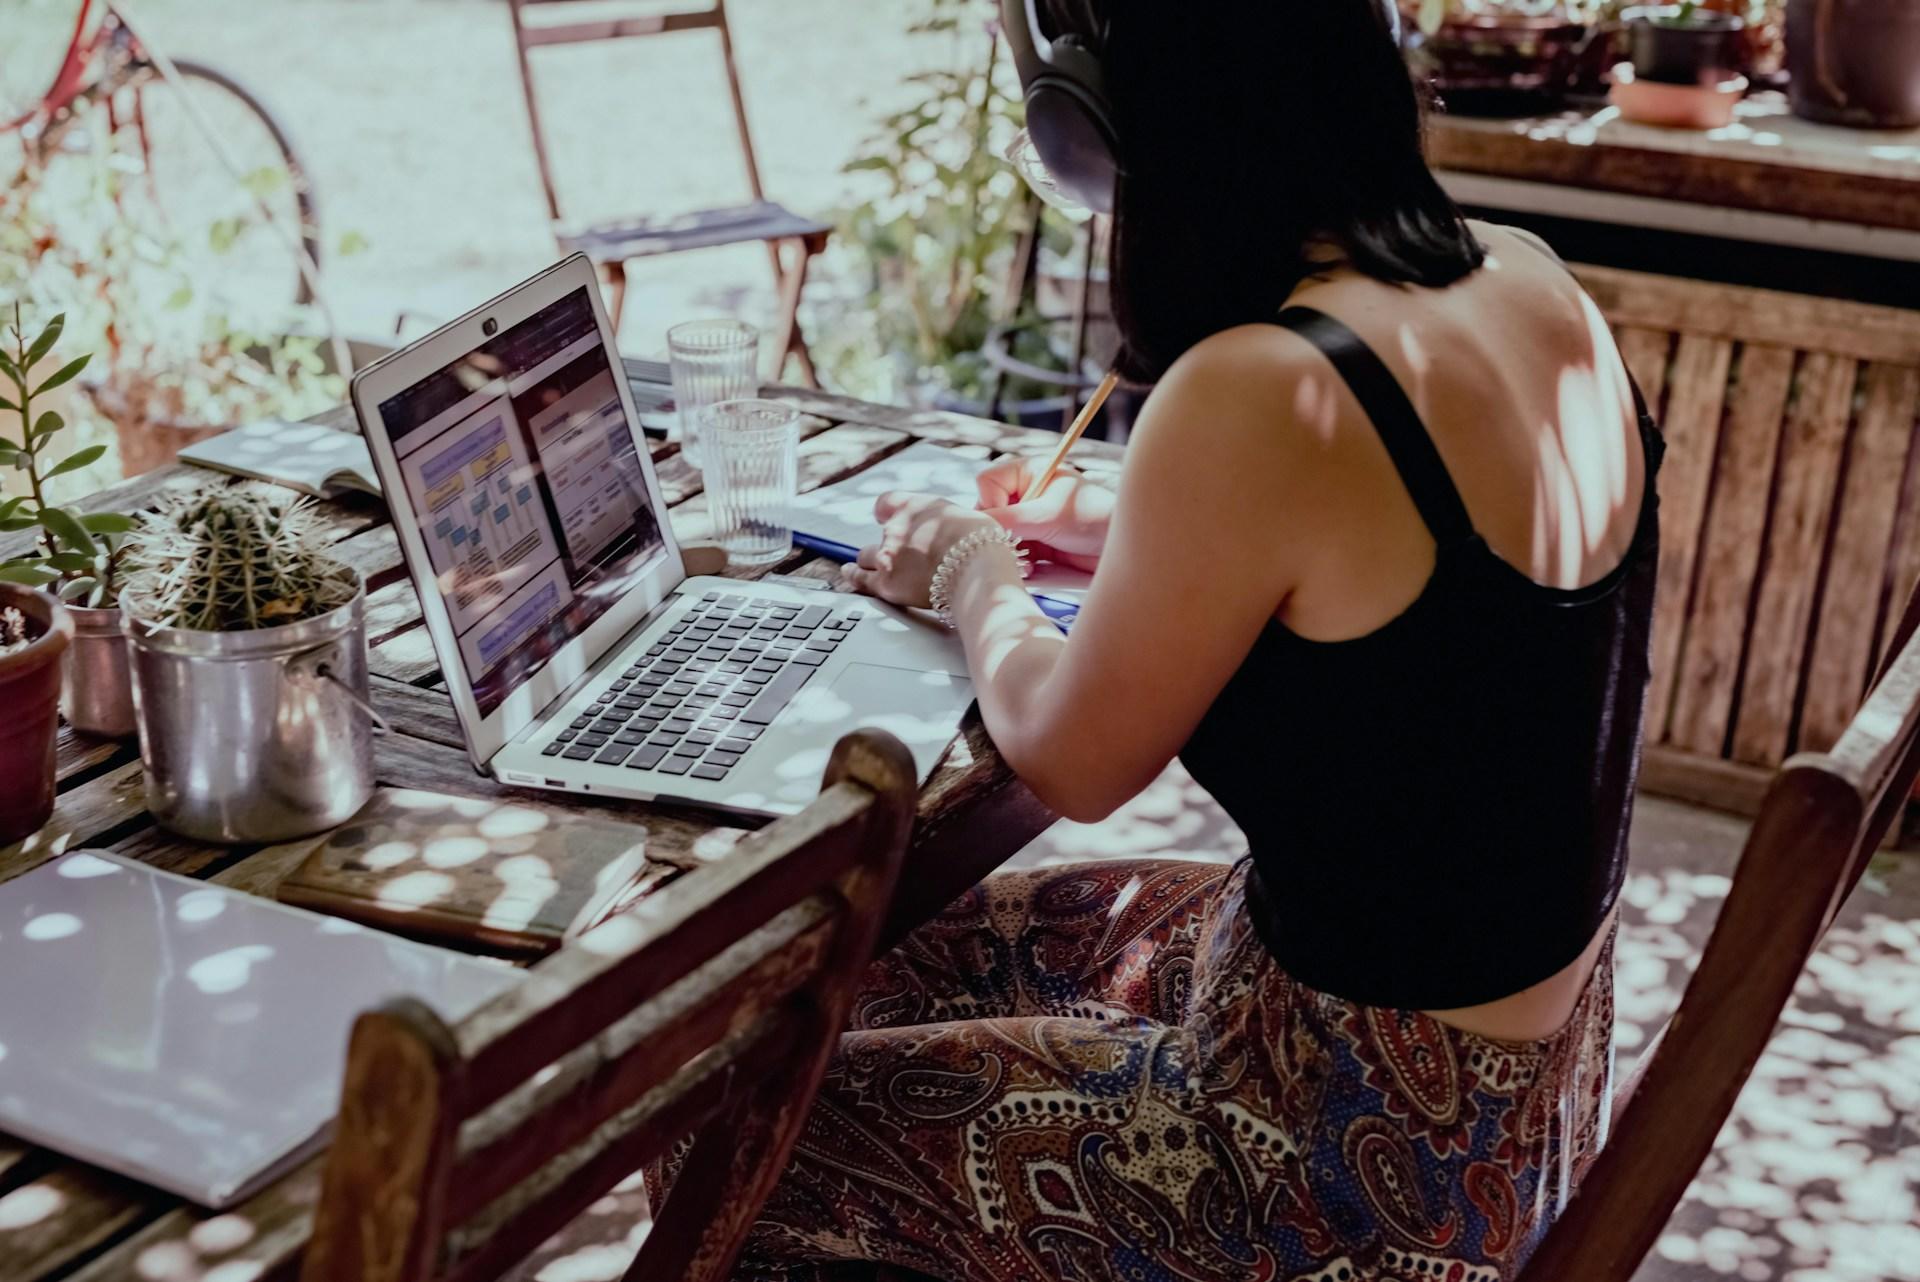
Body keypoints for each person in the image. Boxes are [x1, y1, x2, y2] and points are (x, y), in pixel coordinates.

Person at [655, 2, 1661, 1278]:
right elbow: (1428, 585)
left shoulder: (1257, 388)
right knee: (861, 966)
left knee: (723, 1128)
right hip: (1513, 1096)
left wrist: (974, 573)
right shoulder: (1526, 276)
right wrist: (1129, 520)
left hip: (1331, 1166)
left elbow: (1069, 757)